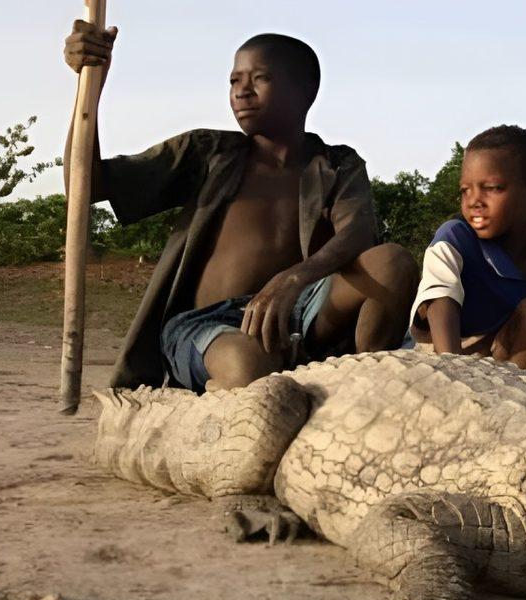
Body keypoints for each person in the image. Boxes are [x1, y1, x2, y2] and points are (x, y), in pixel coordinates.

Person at [62, 23, 418, 392]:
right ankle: (234, 383)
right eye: (234, 80)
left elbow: (359, 233)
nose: (241, 91)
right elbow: (86, 184)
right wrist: (91, 84)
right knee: (247, 364)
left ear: (305, 91)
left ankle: (364, 383)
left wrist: (292, 280)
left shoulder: (336, 164)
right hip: (210, 325)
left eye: (259, 78)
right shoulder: (208, 153)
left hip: (301, 312)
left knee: (393, 262)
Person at [410, 125, 526, 380]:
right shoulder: (454, 240)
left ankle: (521, 403)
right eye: (465, 190)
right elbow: (447, 358)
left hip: (517, 382)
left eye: (492, 188)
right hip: (446, 375)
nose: (474, 201)